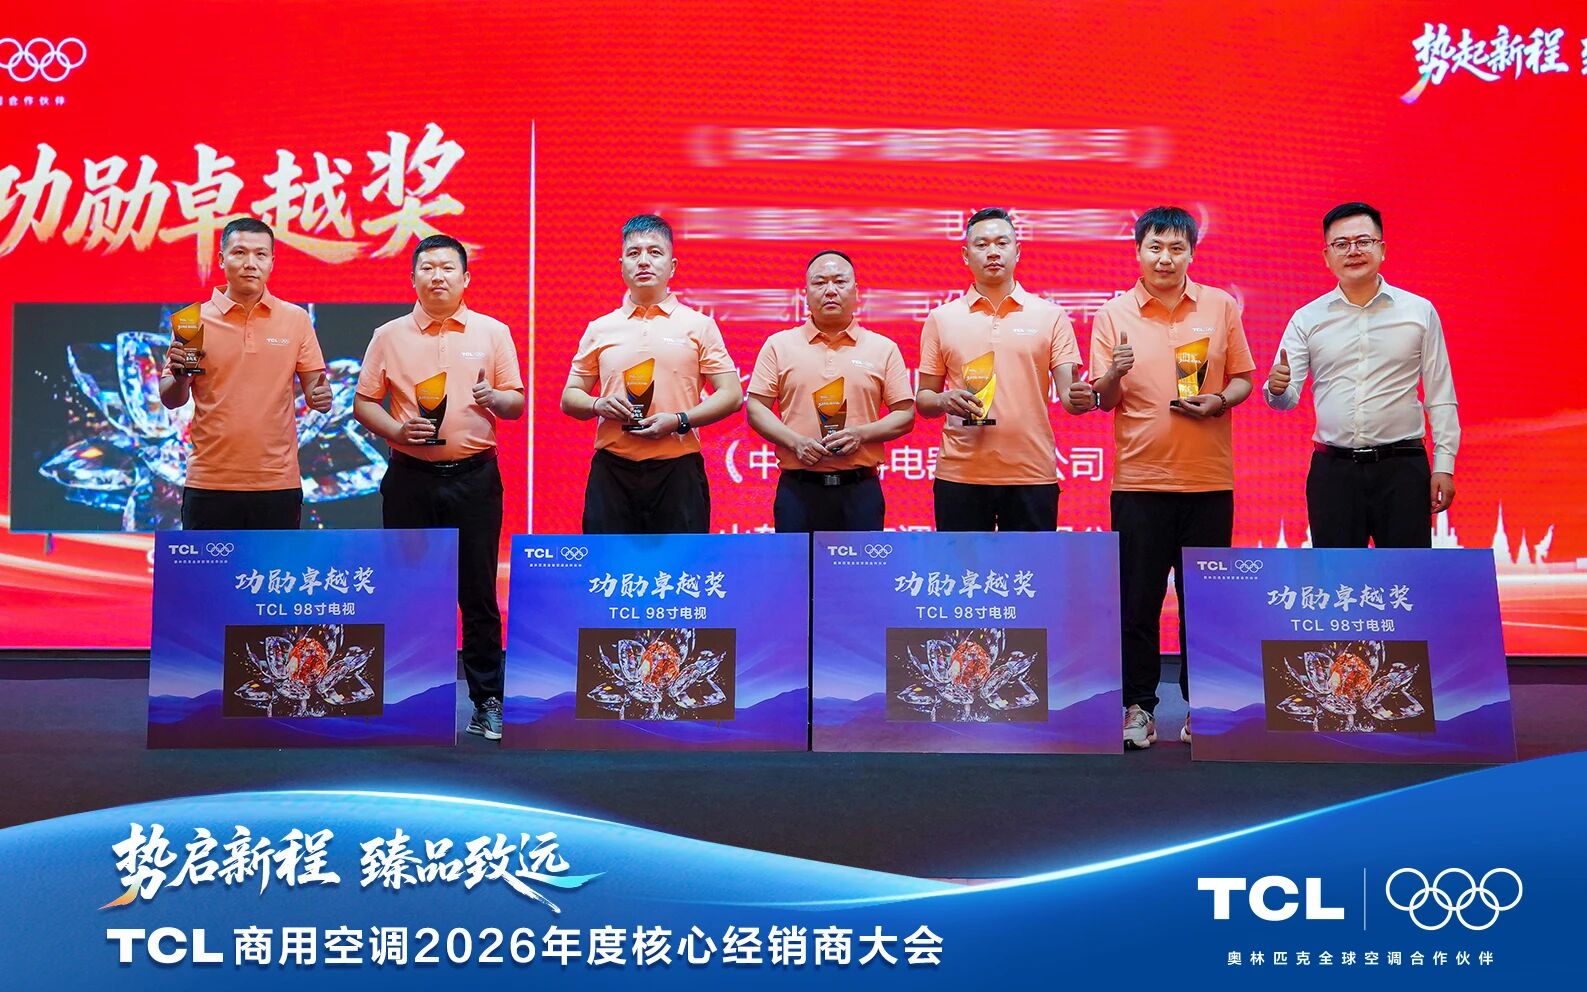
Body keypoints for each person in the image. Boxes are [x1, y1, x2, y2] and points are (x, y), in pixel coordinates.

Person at [1089, 206, 1255, 749]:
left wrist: (1219, 400)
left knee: (1203, 604)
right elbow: (1104, 399)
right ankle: (1138, 707)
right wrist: (1113, 372)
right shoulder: (1113, 313)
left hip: (1208, 481)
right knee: (1136, 604)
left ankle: (1200, 707)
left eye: (1176, 248)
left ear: (1191, 252)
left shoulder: (1220, 306)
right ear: (1138, 251)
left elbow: (1243, 379)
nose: (1165, 258)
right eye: (1155, 247)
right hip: (1139, 482)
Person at [353, 234, 524, 741]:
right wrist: (395, 430)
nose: (437, 276)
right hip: (410, 477)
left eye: (448, 267)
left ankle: (487, 702)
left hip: (475, 478)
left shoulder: (493, 332)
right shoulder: (388, 335)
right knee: (408, 592)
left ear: (466, 278)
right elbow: (364, 403)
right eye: (427, 267)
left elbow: (516, 404)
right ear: (413, 278)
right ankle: (410, 705)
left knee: (478, 593)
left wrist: (494, 397)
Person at [1265, 202, 1459, 547]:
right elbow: (1285, 398)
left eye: (1363, 241)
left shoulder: (1418, 311)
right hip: (1333, 472)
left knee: (1405, 575)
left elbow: (1440, 395)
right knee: (1336, 576)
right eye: (1341, 244)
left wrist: (1444, 464)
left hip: (1403, 469)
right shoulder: (1307, 318)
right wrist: (1276, 389)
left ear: (1382, 249)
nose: (1353, 251)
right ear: (1327, 257)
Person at [561, 214, 742, 533]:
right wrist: (597, 404)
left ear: (672, 266)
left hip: (678, 471)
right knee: (609, 563)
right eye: (634, 253)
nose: (643, 261)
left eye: (655, 252)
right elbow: (570, 397)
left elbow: (731, 394)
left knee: (682, 563)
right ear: (621, 266)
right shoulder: (600, 328)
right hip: (612, 471)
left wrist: (680, 420)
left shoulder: (699, 325)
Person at [916, 207, 1089, 531]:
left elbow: (1070, 397)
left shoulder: (1050, 315)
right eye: (982, 245)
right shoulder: (942, 318)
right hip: (960, 474)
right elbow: (924, 399)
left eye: (1002, 243)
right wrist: (942, 400)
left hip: (1031, 473)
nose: (993, 252)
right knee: (960, 565)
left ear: (1017, 251)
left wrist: (1084, 397)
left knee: (1030, 564)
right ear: (966, 255)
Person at [160, 217, 332, 529]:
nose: (250, 263)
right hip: (209, 482)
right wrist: (181, 377)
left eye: (260, 254)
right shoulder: (192, 320)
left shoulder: (296, 319)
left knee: (275, 563)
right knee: (209, 564)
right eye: (239, 253)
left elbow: (316, 389)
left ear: (272, 262)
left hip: (277, 482)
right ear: (221, 259)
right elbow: (171, 398)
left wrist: (321, 397)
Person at [746, 250, 914, 531]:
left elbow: (905, 415)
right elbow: (756, 408)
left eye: (840, 281)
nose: (831, 290)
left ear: (857, 291)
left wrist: (861, 434)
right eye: (820, 282)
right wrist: (795, 442)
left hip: (860, 490)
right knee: (797, 562)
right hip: (798, 490)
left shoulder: (883, 348)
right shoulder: (778, 345)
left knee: (861, 562)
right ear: (805, 294)